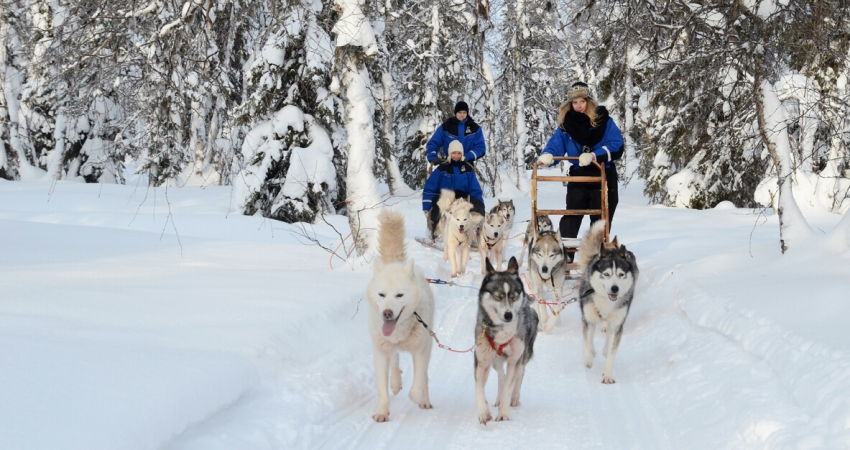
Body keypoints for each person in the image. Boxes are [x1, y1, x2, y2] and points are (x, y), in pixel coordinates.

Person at [537, 82, 624, 256]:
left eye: (582, 102)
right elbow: (556, 145)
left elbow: (617, 145)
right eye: (575, 103)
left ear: (589, 101)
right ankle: (563, 257)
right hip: (579, 176)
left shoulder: (604, 121)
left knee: (600, 221)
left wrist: (594, 156)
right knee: (572, 216)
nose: (578, 106)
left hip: (603, 175)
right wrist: (548, 156)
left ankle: (598, 258)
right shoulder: (566, 125)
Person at [423, 140, 486, 239]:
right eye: (454, 153)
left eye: (458, 153)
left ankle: (473, 234)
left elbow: (475, 189)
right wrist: (427, 206)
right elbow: (430, 187)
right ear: (449, 154)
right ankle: (437, 232)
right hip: (445, 197)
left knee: (474, 211)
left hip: (462, 198)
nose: (456, 156)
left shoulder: (467, 169)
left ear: (462, 154)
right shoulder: (442, 168)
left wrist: (479, 204)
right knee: (437, 209)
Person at [426, 101, 487, 165]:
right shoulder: (446, 126)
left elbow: (481, 148)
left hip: (467, 164)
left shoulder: (474, 128)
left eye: (464, 112)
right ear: (456, 113)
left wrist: (466, 157)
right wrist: (432, 157)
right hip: (449, 164)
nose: (462, 115)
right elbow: (433, 143)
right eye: (460, 112)